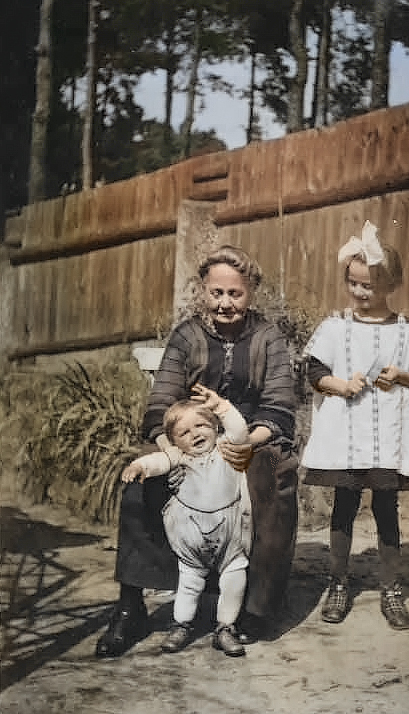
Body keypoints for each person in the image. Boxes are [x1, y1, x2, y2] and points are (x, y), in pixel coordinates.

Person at [96, 245, 298, 658]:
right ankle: (130, 607)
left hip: (248, 440)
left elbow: (279, 405)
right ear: (204, 291)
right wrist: (172, 451)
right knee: (139, 482)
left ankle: (252, 607)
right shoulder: (187, 335)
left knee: (272, 475)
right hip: (189, 440)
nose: (225, 303)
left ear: (251, 292)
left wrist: (248, 444)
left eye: (235, 294)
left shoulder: (268, 338)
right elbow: (161, 402)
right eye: (217, 293)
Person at [300, 220, 409, 631]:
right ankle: (338, 581)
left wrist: (401, 376)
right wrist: (341, 385)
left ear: (390, 286)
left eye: (370, 287)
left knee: (385, 506)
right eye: (355, 284)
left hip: (387, 435)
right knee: (344, 504)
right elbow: (313, 371)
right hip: (347, 430)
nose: (361, 294)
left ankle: (391, 586)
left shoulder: (406, 331)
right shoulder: (335, 327)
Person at [120, 384, 252, 657]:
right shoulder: (177, 457)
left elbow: (239, 430)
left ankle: (225, 628)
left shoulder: (225, 450)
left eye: (202, 426)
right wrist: (139, 466)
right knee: (189, 582)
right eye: (184, 432)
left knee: (234, 579)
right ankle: (181, 625)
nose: (196, 434)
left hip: (230, 538)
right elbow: (158, 460)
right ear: (175, 441)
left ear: (215, 428)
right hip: (190, 539)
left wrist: (221, 407)